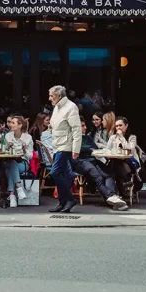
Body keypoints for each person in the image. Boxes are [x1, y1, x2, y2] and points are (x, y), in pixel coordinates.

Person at [47, 85, 83, 214]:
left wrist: (76, 149)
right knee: (61, 174)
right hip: (58, 144)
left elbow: (76, 129)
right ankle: (62, 203)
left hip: (65, 145)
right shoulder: (57, 107)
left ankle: (70, 199)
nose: (50, 98)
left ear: (59, 96)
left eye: (52, 96)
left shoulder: (70, 107)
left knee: (55, 173)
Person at [103, 116, 142, 201]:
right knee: (114, 163)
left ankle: (114, 193)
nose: (118, 128)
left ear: (126, 125)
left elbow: (130, 149)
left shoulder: (132, 137)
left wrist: (122, 138)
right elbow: (107, 150)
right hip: (116, 161)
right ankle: (124, 184)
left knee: (114, 166)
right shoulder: (113, 137)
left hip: (129, 163)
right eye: (116, 126)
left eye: (120, 125)